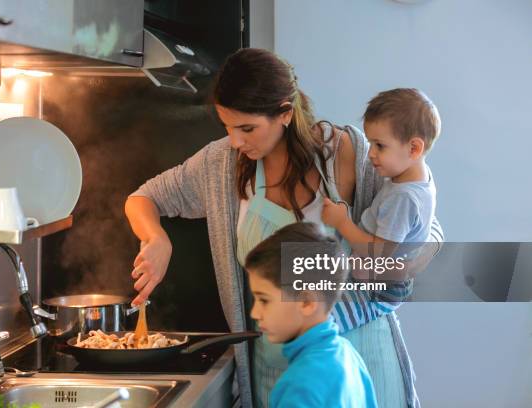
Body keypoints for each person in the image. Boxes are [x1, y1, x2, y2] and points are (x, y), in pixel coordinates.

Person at [124, 48, 443, 408]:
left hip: (359, 360)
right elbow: (144, 197)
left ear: (286, 114)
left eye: (247, 128)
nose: (236, 142)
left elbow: (426, 230)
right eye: (227, 126)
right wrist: (156, 238)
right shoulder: (221, 164)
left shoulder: (348, 151)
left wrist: (393, 265)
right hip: (275, 371)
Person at [245, 222, 378, 408]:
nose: (254, 313)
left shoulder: (299, 387)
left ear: (307, 302)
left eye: (264, 300)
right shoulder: (348, 354)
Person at [323, 89, 439, 259]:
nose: (370, 153)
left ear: (414, 148)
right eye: (370, 143)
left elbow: (378, 253)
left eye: (380, 145)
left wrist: (342, 222)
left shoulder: (403, 197)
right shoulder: (420, 175)